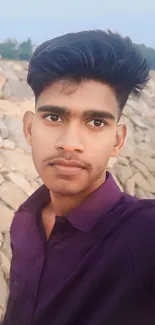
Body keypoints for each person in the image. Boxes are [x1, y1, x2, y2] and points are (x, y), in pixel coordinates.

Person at [3, 30, 155, 325]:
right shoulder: (24, 221)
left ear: (118, 140)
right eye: (54, 117)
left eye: (96, 122)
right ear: (28, 129)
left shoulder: (143, 233)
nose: (70, 142)